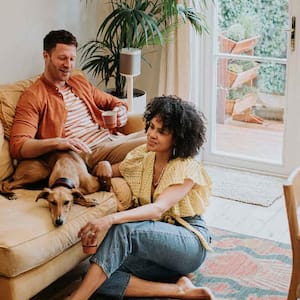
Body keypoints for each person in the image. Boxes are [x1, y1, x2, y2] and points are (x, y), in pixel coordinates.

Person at [69, 95, 214, 299]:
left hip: (188, 242)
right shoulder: (143, 157)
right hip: (156, 246)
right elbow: (115, 170)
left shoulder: (186, 167)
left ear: (178, 137)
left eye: (162, 131)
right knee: (99, 272)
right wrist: (105, 167)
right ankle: (178, 289)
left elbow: (158, 209)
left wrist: (109, 219)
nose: (152, 134)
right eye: (152, 127)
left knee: (122, 231)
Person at [9, 29, 146, 173]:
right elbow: (18, 146)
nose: (68, 65)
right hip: (88, 152)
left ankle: (109, 171)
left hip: (112, 139)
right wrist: (58, 142)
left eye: (72, 59)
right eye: (62, 58)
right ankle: (103, 172)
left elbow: (115, 102)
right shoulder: (33, 96)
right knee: (156, 142)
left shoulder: (79, 82)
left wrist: (121, 111)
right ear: (46, 56)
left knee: (161, 133)